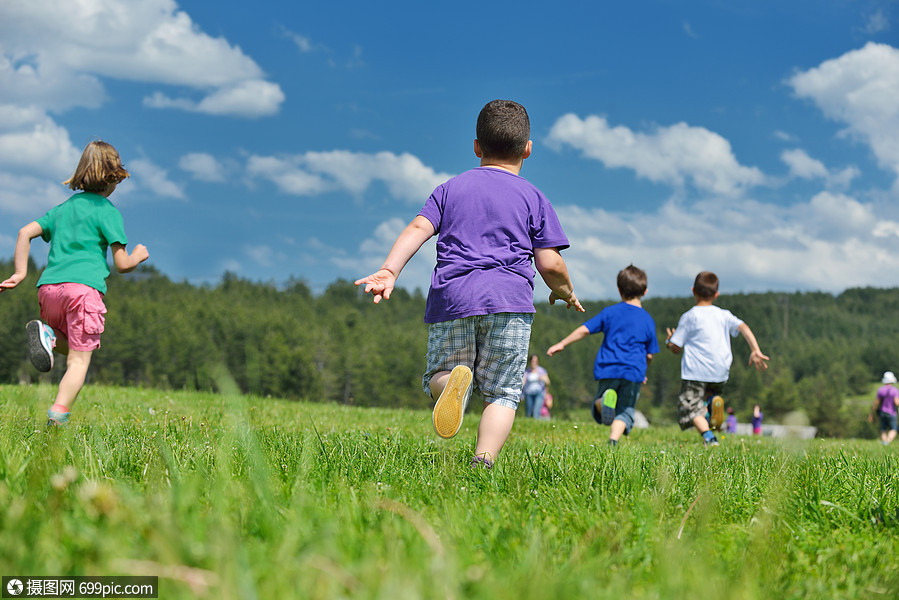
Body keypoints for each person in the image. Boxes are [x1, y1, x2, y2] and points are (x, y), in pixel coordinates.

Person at [355, 99, 583, 468]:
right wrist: (566, 291)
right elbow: (550, 262)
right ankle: (484, 459)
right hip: (509, 301)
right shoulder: (534, 197)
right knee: (503, 393)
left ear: (476, 146)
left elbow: (418, 229)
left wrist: (389, 271)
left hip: (454, 297)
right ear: (528, 148)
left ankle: (451, 388)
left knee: (441, 373)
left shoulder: (449, 189)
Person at [0, 141, 149, 425]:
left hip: (49, 291)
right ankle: (59, 413)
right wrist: (138, 256)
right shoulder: (108, 211)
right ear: (114, 177)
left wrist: (20, 273)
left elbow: (24, 232)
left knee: (77, 347)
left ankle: (49, 335)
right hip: (82, 293)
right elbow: (121, 264)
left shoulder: (61, 209)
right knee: (79, 361)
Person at [547, 265, 659, 447]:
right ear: (645, 291)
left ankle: (602, 401)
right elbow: (650, 355)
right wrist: (643, 370)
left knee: (603, 407)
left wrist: (562, 343)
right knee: (626, 409)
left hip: (609, 368)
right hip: (633, 371)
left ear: (619, 290)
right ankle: (613, 440)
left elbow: (585, 329)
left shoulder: (610, 312)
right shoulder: (647, 319)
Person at [665, 271, 769, 446]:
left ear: (693, 291)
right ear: (716, 294)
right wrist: (755, 349)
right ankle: (713, 402)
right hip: (720, 372)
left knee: (689, 409)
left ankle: (708, 437)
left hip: (696, 372)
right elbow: (743, 327)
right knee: (706, 403)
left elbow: (676, 348)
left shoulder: (690, 316)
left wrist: (669, 341)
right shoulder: (723, 314)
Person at [869, 371, 898, 445]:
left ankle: (885, 443)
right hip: (892, 412)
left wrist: (872, 413)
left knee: (883, 429)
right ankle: (887, 442)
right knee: (894, 429)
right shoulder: (895, 390)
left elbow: (876, 403)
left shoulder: (880, 390)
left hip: (882, 412)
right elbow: (897, 403)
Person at [522, 354, 550, 418]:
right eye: (532, 361)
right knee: (528, 411)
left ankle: (536, 422)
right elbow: (523, 382)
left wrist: (543, 378)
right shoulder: (527, 372)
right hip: (528, 393)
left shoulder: (541, 371)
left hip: (539, 393)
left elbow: (548, 382)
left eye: (535, 361)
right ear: (530, 362)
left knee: (536, 410)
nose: (534, 363)